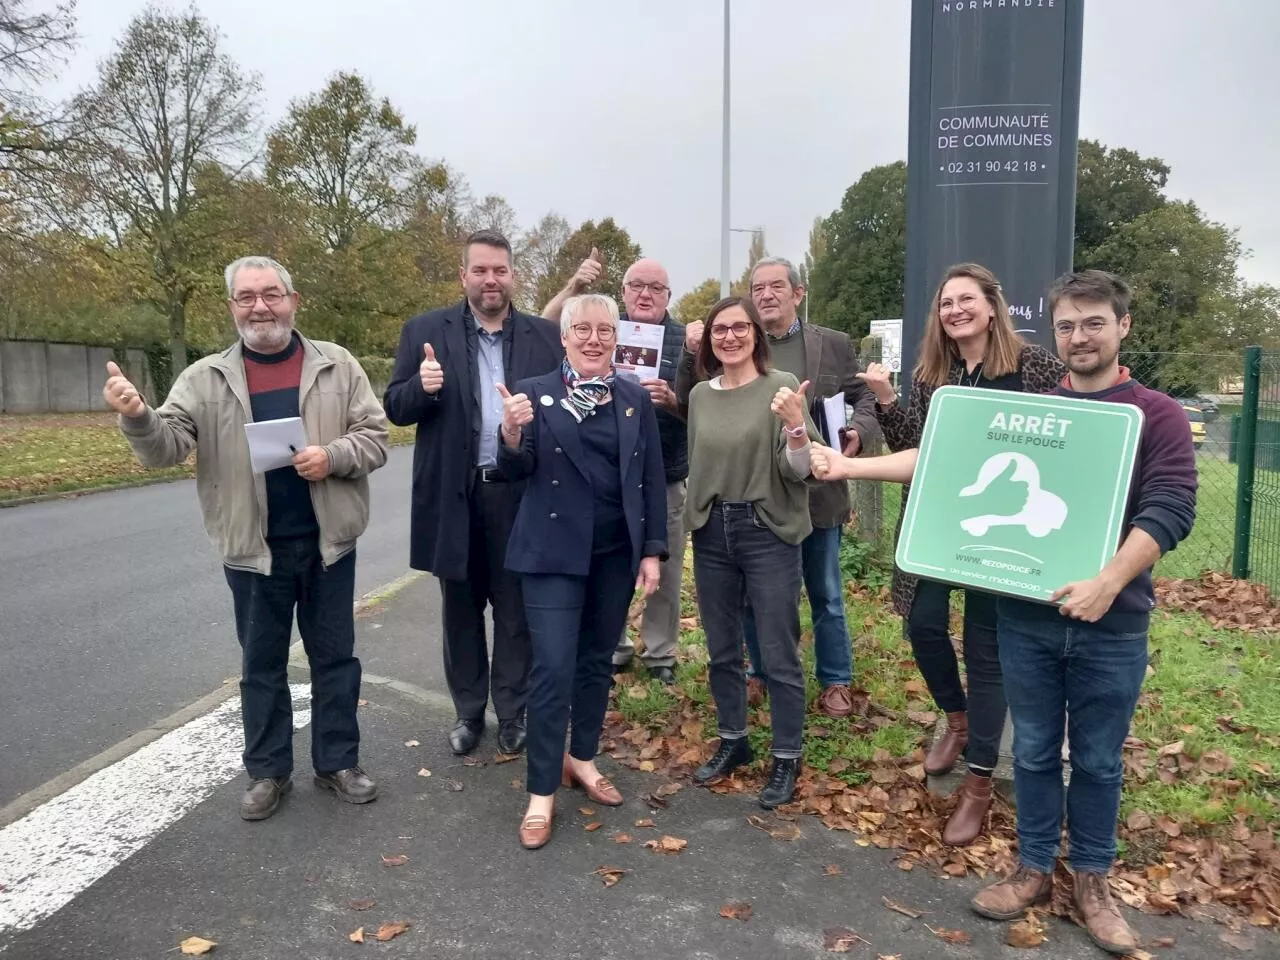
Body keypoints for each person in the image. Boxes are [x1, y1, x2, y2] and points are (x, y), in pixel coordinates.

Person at [810, 269, 1197, 956]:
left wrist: (1109, 580)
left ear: (1122, 327)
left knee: (1101, 761)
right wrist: (849, 470)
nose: (1080, 337)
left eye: (1093, 323)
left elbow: (1170, 507)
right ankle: (1032, 869)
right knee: (1040, 752)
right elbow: (941, 461)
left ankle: (1092, 882)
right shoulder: (1037, 408)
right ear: (1056, 332)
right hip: (1028, 616)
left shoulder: (1155, 414)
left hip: (1112, 620)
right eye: (1069, 325)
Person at [105, 255, 389, 821]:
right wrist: (138, 417)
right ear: (233, 307)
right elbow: (167, 448)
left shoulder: (337, 365)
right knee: (262, 665)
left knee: (336, 660)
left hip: (328, 543)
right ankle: (267, 772)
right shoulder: (204, 378)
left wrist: (331, 456)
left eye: (271, 294)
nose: (260, 306)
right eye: (247, 297)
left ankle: (337, 762)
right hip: (252, 550)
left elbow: (376, 437)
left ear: (292, 299)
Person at [861, 262, 1064, 846]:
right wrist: (884, 399)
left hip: (1004, 534)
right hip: (942, 524)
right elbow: (912, 447)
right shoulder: (935, 372)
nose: (955, 310)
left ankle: (977, 784)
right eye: (947, 302)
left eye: (966, 299)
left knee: (985, 652)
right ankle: (957, 718)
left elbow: (1063, 432)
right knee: (923, 625)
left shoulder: (1034, 366)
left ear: (993, 305)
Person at [383, 230, 563, 757]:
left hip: (518, 494)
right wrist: (423, 386)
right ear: (463, 276)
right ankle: (468, 713)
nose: (491, 280)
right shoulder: (423, 332)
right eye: (480, 270)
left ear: (512, 276)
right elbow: (395, 407)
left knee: (515, 611)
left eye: (500, 270)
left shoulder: (544, 337)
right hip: (454, 497)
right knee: (459, 610)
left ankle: (512, 712)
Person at [496, 293, 667, 849]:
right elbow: (514, 470)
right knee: (552, 669)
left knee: (596, 664)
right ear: (565, 336)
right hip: (551, 554)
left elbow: (649, 482)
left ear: (616, 340)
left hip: (614, 553)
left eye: (604, 331)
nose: (594, 339)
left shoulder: (633, 398)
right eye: (583, 330)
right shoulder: (534, 393)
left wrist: (651, 550)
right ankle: (541, 791)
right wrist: (512, 434)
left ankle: (583, 759)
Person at [677, 258, 880, 718]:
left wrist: (859, 432)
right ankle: (761, 672)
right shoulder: (737, 343)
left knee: (825, 590)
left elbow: (861, 395)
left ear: (798, 293)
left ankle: (835, 680)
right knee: (754, 595)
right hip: (757, 502)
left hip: (816, 488)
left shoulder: (830, 344)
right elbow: (698, 401)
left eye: (775, 286)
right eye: (757, 287)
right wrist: (691, 353)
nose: (766, 294)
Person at [683, 296, 819, 810]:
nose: (731, 337)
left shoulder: (781, 386)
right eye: (721, 329)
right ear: (710, 339)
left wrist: (796, 427)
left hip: (765, 529)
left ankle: (786, 756)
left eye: (740, 328)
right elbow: (699, 462)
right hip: (713, 532)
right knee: (722, 648)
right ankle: (733, 740)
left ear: (755, 335)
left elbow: (801, 468)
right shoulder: (699, 396)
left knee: (777, 650)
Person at [545, 256, 688, 686]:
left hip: (664, 469)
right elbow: (546, 324)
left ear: (668, 295)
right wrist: (573, 283)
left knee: (664, 562)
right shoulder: (602, 326)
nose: (645, 294)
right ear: (623, 290)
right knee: (607, 565)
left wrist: (675, 401)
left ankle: (661, 650)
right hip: (601, 476)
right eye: (636, 285)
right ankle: (614, 644)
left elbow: (707, 402)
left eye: (656, 288)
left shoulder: (689, 340)